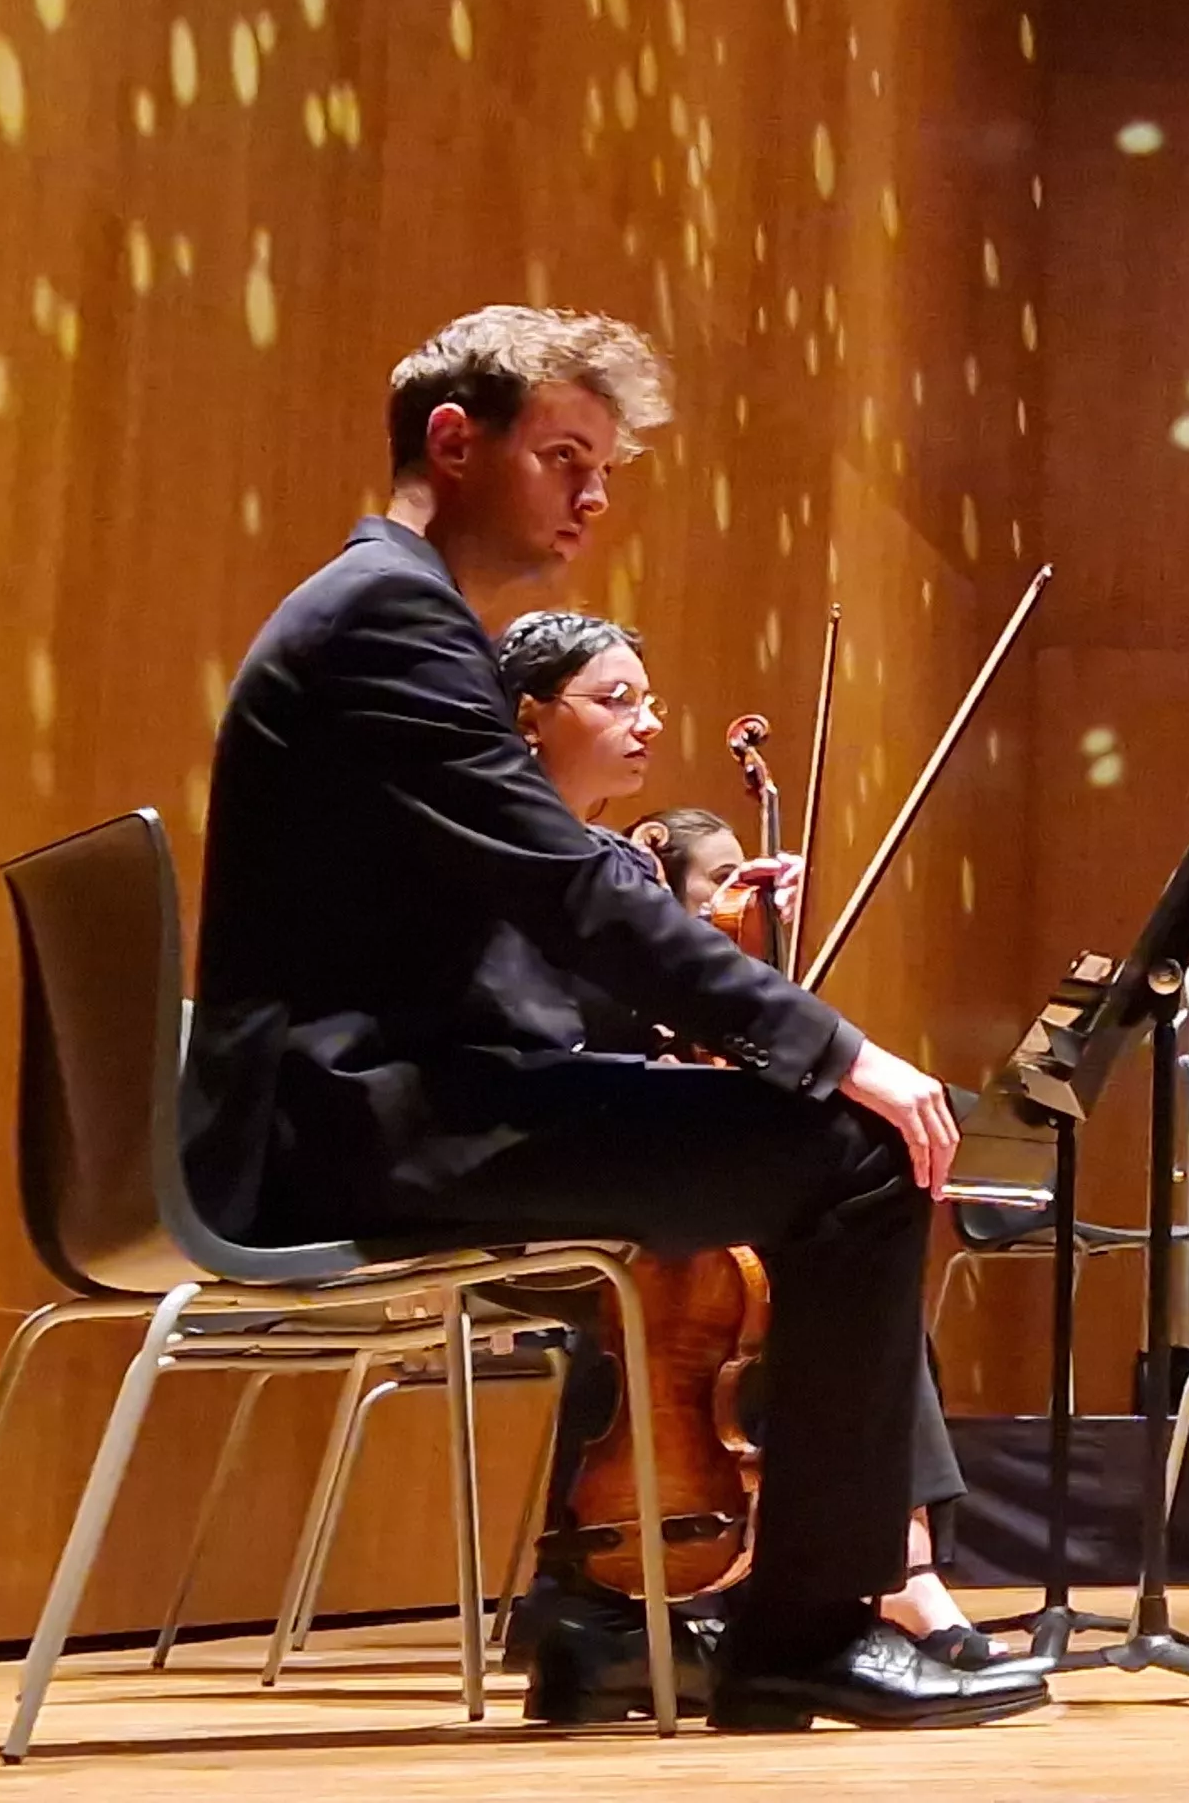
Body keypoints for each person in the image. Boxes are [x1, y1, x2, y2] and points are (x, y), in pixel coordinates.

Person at [180, 307, 1043, 1732]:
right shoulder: (387, 619)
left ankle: (802, 1622)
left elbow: (544, 908)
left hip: (392, 1097)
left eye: (607, 468)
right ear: (454, 444)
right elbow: (582, 896)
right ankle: (807, 1633)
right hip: (357, 1127)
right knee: (863, 1154)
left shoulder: (398, 613)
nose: (592, 496)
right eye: (564, 456)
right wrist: (839, 1049)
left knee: (832, 1151)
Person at [486, 614, 998, 1699]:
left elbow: (655, 1019)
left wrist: (738, 956)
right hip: (504, 1159)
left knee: (827, 1198)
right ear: (529, 718)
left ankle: (592, 1603)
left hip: (557, 1150)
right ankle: (852, 1591)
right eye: (615, 698)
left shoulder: (606, 857)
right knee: (846, 1179)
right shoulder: (520, 844)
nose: (648, 720)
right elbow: (591, 1022)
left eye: (649, 697)